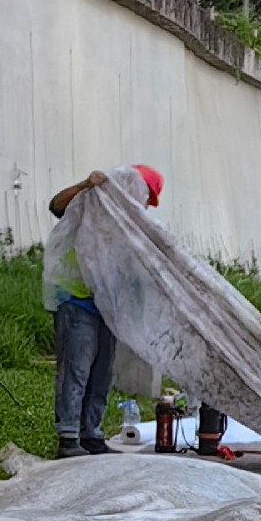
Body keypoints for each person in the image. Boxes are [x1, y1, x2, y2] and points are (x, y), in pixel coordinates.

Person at [43, 162, 164, 457]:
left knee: (102, 374)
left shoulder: (129, 223)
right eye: (146, 197)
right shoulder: (94, 199)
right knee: (77, 369)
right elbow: (56, 205)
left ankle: (91, 434)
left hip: (107, 307)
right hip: (76, 299)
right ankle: (68, 438)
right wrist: (86, 184)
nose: (145, 205)